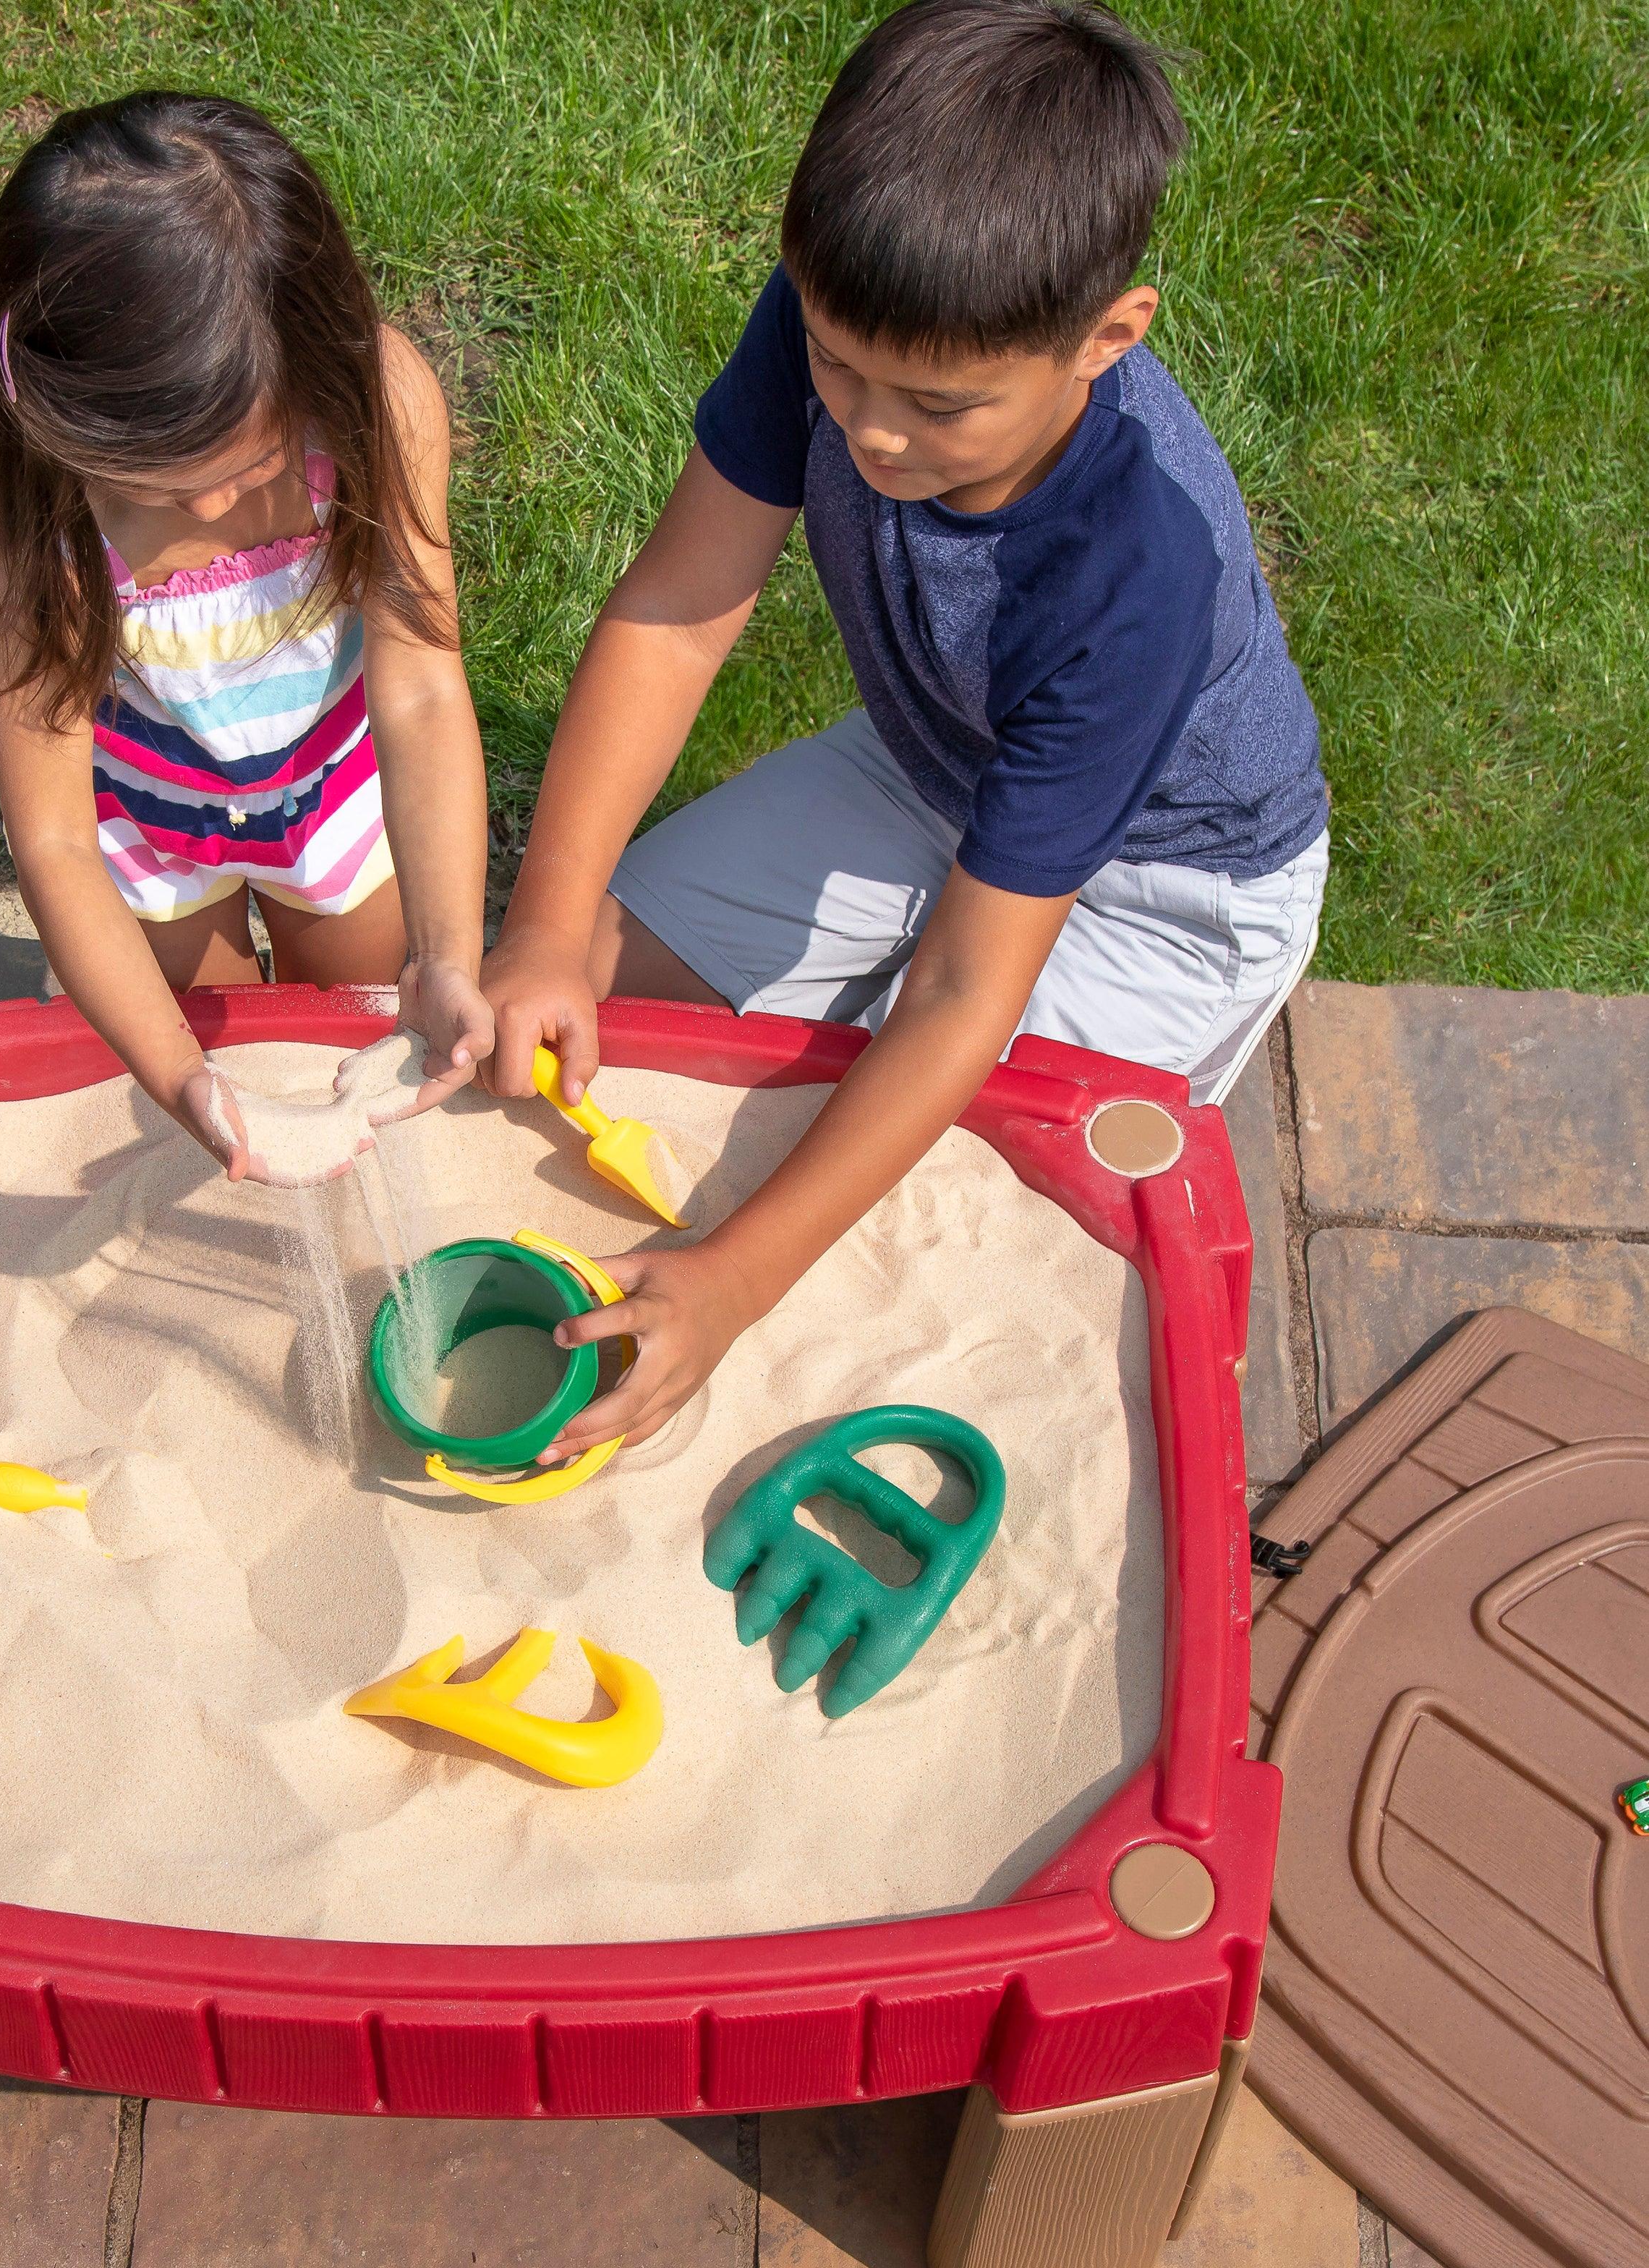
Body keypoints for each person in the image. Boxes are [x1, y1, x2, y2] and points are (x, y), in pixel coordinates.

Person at [481, 0, 1328, 1456]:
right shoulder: (858, 311)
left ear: (1107, 338)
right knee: (596, 996)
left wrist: (736, 1278)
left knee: (934, 1213)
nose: (869, 433)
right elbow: (682, 606)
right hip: (931, 762)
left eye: (939, 407)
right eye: (834, 363)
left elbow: (956, 991)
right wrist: (549, 925)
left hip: (1164, 891)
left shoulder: (1137, 573)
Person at [0, 91, 494, 1180]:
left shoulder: (377, 411)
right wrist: (181, 1076)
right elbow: (56, 843)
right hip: (145, 835)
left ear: (323, 356)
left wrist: (449, 950)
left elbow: (424, 691)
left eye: (251, 470)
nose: (212, 511)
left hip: (339, 803)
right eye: (157, 487)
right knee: (210, 1036)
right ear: (59, 422)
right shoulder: (40, 537)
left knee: (339, 1023)